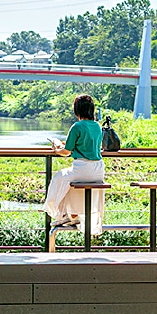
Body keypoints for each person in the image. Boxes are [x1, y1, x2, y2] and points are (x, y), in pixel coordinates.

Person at [43, 94, 105, 235]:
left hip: (83, 169)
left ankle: (61, 214)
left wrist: (56, 149)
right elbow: (86, 145)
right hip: (98, 170)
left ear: (77, 110)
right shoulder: (97, 126)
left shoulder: (77, 126)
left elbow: (67, 151)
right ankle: (74, 216)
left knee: (60, 177)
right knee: (70, 184)